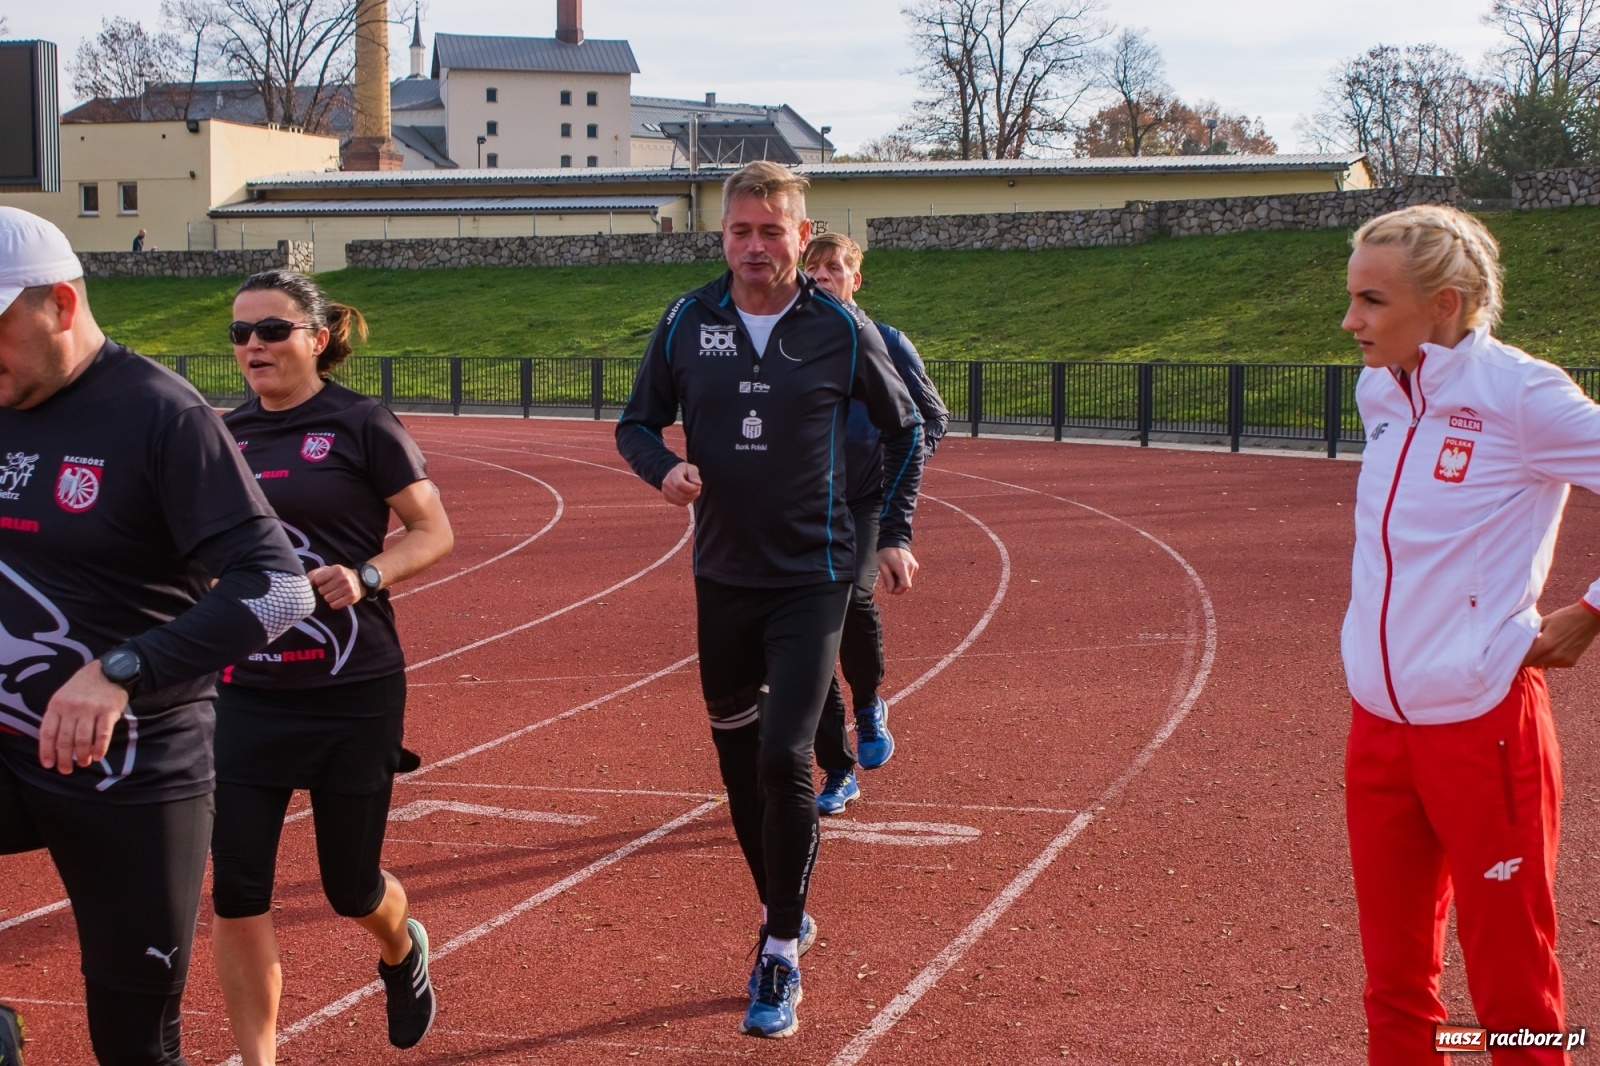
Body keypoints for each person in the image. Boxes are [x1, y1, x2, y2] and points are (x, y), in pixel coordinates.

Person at [616, 161, 925, 1039]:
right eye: (741, 231)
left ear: (801, 233)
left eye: (771, 230)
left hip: (813, 575)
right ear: (722, 236)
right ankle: (782, 906)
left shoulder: (838, 326)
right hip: (722, 575)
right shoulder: (686, 319)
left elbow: (907, 429)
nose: (756, 246)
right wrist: (662, 468)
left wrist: (891, 530)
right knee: (737, 768)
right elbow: (635, 423)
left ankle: (780, 947)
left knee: (785, 756)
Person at [0, 207, 312, 1064]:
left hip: (131, 770)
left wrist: (123, 668)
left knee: (133, 1042)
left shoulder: (161, 417)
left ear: (61, 304)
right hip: (9, 743)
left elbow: (280, 589)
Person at [1340, 204, 1600, 1065]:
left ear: (1444, 304)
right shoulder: (1380, 390)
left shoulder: (1521, 395)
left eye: (1372, 301)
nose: (1350, 321)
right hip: (1379, 726)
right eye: (1352, 297)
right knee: (1394, 981)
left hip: (1483, 723)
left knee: (1511, 981)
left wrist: (1592, 610)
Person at [209, 270, 454, 1061]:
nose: (253, 345)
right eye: (240, 333)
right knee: (236, 890)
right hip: (245, 691)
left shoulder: (361, 423)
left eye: (272, 330)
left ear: (317, 339)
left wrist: (367, 574)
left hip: (352, 690)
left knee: (351, 887)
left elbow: (433, 531)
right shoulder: (221, 438)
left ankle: (401, 947)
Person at [801, 233, 948, 814]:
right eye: (813, 269)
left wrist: (897, 476)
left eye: (833, 269)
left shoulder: (885, 341)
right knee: (806, 639)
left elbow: (931, 418)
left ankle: (867, 705)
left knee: (852, 598)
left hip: (866, 500)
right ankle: (838, 770)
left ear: (855, 280)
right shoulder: (787, 346)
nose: (822, 278)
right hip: (805, 504)